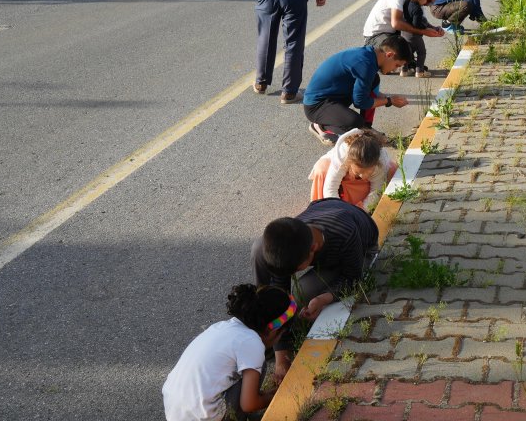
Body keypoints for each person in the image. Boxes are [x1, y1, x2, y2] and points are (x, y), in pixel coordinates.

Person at [253, 198, 379, 380]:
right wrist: (282, 356)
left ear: (313, 248)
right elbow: (281, 292)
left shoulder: (345, 234)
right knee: (260, 249)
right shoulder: (294, 235)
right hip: (325, 211)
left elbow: (352, 278)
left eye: (296, 269)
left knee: (300, 296)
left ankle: (278, 334)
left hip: (361, 250)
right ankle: (267, 328)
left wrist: (324, 299)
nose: (292, 275)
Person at [161, 284, 296, 421]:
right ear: (273, 331)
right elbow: (249, 404)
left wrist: (263, 395)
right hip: (204, 417)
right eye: (281, 335)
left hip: (174, 411)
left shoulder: (222, 326)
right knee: (259, 365)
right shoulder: (253, 343)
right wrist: (277, 396)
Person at [302, 34, 413, 145]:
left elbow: (365, 92)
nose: (395, 69)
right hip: (316, 106)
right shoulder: (366, 64)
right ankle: (321, 126)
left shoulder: (370, 55)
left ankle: (366, 128)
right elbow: (361, 102)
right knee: (354, 123)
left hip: (333, 97)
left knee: (374, 80)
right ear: (389, 55)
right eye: (397, 65)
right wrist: (389, 101)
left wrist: (388, 98)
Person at [360, 0, 444, 78]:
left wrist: (434, 28)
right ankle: (374, 59)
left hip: (394, 34)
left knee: (406, 51)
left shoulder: (418, 1)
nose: (427, 4)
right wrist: (424, 32)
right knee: (392, 57)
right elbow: (396, 23)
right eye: (429, 0)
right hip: (376, 35)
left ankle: (407, 64)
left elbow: (422, 22)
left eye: (431, 3)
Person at [308, 127, 398, 209]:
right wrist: (338, 209)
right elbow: (330, 187)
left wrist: (363, 209)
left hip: (362, 184)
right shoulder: (343, 156)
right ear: (350, 162)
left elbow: (376, 190)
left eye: (368, 172)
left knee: (393, 170)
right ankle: (320, 207)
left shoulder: (380, 163)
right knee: (322, 168)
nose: (363, 176)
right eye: (358, 172)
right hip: (346, 176)